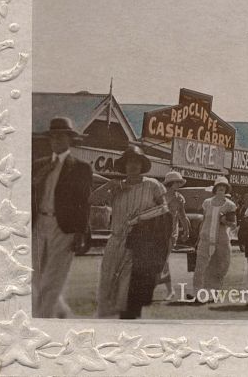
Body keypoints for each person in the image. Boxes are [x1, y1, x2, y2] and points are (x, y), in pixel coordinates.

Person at [92, 146, 169, 318]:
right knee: (108, 282)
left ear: (142, 165)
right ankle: (107, 323)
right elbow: (93, 199)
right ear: (124, 166)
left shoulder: (152, 185)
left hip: (140, 243)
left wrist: (144, 220)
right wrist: (110, 184)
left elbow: (164, 210)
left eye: (137, 162)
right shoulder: (116, 187)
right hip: (116, 240)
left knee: (129, 289)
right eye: (129, 162)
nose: (133, 166)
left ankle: (129, 320)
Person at [31, 117, 92, 318]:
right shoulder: (38, 165)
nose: (56, 140)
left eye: (61, 136)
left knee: (53, 278)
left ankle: (42, 321)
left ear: (69, 139)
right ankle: (63, 314)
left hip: (64, 227)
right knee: (35, 276)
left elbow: (84, 203)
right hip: (39, 223)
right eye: (53, 136)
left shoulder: (81, 168)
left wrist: (81, 232)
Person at [192, 176, 236, 302]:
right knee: (200, 266)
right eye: (219, 188)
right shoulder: (206, 203)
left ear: (226, 190)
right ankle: (198, 294)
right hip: (205, 238)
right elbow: (204, 220)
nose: (221, 190)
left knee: (219, 266)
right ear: (215, 189)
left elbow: (233, 224)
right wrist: (198, 237)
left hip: (221, 240)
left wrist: (224, 221)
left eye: (223, 188)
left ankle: (214, 294)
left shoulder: (230, 205)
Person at [159, 171, 191, 300]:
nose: (179, 184)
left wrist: (187, 231)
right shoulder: (159, 195)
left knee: (163, 260)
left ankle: (169, 290)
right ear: (170, 183)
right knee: (158, 260)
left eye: (179, 182)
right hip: (157, 232)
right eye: (177, 182)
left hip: (171, 232)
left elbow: (182, 215)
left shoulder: (179, 198)